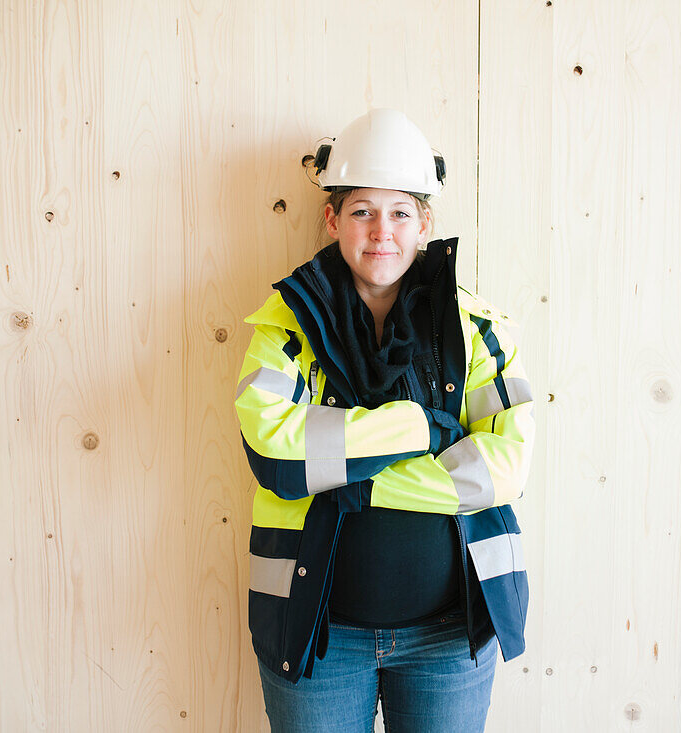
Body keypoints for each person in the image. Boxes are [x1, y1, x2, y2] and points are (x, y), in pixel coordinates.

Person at [234, 108, 535, 733]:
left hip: (450, 641)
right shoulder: (284, 327)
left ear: (425, 223)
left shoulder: (479, 331)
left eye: (400, 212)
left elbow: (504, 469)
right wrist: (423, 430)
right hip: (318, 636)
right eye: (362, 210)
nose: (381, 232)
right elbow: (277, 456)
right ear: (332, 218)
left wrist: (350, 478)